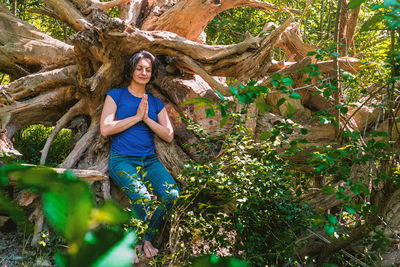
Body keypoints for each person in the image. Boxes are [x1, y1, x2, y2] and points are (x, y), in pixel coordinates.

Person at [100, 50, 179, 262]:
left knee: (171, 195)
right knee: (142, 197)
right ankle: (133, 243)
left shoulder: (154, 102)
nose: (143, 72)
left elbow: (168, 135)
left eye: (148, 69)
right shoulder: (115, 95)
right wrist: (136, 117)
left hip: (149, 161)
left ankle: (148, 238)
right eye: (139, 68)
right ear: (131, 70)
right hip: (122, 160)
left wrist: (146, 119)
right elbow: (106, 128)